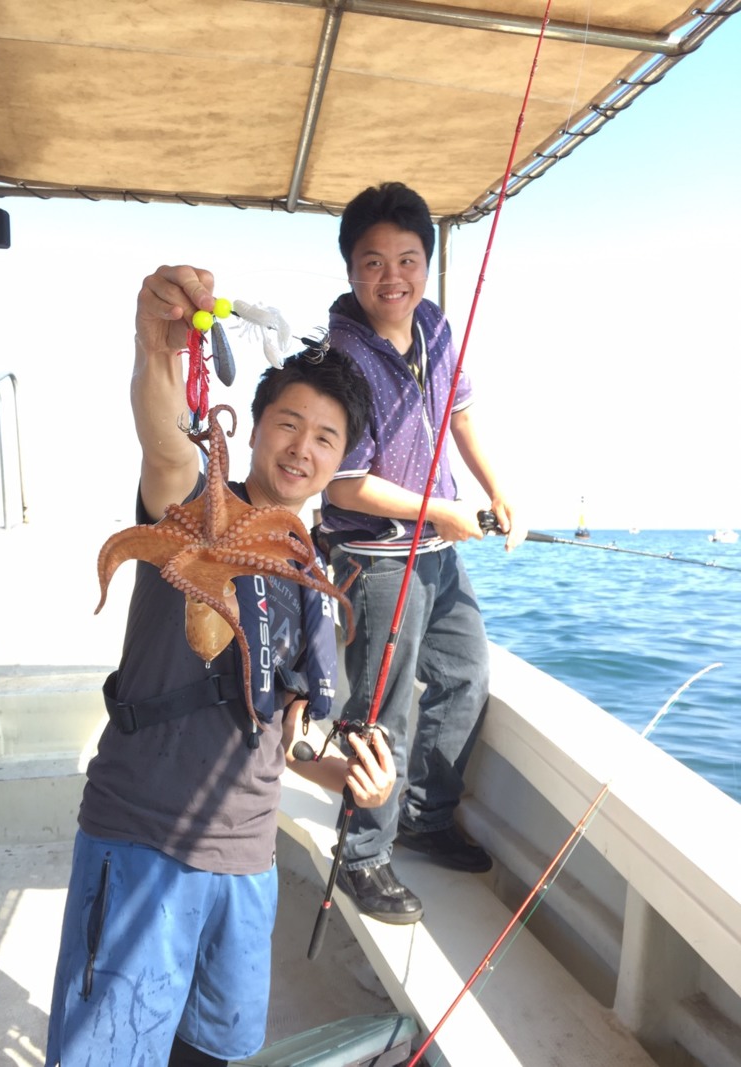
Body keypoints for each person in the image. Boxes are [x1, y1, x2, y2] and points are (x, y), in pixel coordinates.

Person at [45, 265, 395, 1067]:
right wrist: (156, 344)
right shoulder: (189, 510)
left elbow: (291, 738)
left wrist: (351, 778)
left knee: (212, 1054)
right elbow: (164, 436)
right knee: (109, 1052)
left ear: (341, 457)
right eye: (287, 423)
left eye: (325, 437)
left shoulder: (314, 576)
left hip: (246, 863)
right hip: (142, 838)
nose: (301, 447)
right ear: (256, 425)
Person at [320, 182, 525, 925]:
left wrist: (494, 489)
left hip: (437, 552)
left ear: (427, 266)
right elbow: (344, 486)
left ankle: (424, 814)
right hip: (375, 561)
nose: (392, 277)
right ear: (351, 271)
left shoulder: (435, 326)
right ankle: (363, 854)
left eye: (407, 259)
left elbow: (460, 414)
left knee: (466, 676)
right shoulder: (339, 360)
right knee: (380, 712)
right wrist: (442, 507)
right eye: (373, 261)